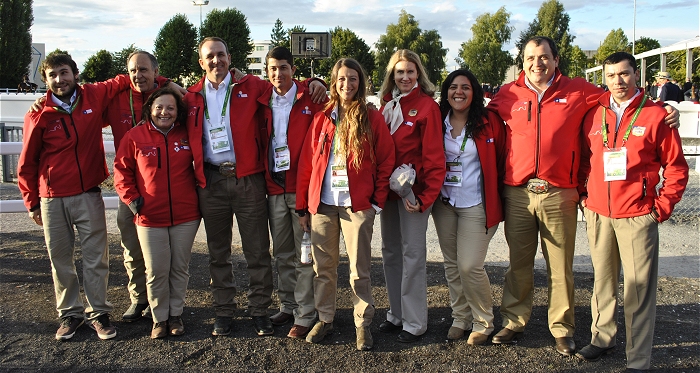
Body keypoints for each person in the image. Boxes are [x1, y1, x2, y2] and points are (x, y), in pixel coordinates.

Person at [487, 36, 679, 356]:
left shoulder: (579, 91)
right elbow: (477, 119)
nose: (538, 63)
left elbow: (623, 98)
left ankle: (562, 328)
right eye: (531, 57)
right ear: (522, 62)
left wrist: (664, 106)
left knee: (560, 266)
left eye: (544, 56)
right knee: (517, 263)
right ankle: (514, 320)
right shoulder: (507, 94)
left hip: (559, 192)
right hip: (519, 193)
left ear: (556, 59)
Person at [184, 37, 325, 337]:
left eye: (221, 55)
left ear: (229, 57)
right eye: (210, 56)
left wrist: (316, 80)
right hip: (211, 182)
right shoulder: (191, 97)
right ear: (201, 62)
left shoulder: (252, 87)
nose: (216, 61)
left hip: (248, 180)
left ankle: (259, 309)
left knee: (258, 251)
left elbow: (287, 83)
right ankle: (224, 311)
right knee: (217, 252)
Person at [576, 52, 688, 371]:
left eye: (624, 74)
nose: (618, 81)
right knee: (603, 282)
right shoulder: (594, 113)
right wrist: (586, 195)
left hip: (638, 215)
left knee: (638, 290)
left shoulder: (656, 116)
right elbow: (586, 159)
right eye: (611, 75)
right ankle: (602, 337)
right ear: (605, 78)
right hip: (599, 213)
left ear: (636, 74)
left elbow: (677, 168)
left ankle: (638, 358)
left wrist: (660, 208)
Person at [17, 52, 131, 341]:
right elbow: (27, 162)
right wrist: (31, 201)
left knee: (96, 257)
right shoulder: (37, 113)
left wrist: (168, 81)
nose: (60, 79)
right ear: (46, 80)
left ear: (75, 74)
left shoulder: (93, 94)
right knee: (60, 259)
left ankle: (98, 314)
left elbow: (128, 78)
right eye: (53, 75)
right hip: (52, 197)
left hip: (88, 193)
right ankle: (69, 314)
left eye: (64, 72)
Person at [296, 57, 395, 350]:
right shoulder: (322, 118)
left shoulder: (370, 117)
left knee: (358, 269)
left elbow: (387, 160)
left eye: (352, 79)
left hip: (357, 206)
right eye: (341, 79)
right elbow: (306, 165)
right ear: (333, 82)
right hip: (324, 205)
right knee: (322, 268)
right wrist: (304, 205)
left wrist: (376, 202)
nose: (346, 84)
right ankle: (325, 318)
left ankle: (362, 323)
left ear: (360, 83)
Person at [114, 87, 202, 339]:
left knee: (179, 268)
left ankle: (175, 314)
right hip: (150, 217)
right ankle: (159, 318)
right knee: (156, 270)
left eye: (171, 108)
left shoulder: (188, 134)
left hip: (186, 215)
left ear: (178, 112)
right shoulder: (134, 136)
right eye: (159, 107)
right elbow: (121, 172)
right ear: (150, 109)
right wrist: (133, 200)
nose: (165, 112)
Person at [255, 46, 327, 339]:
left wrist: (318, 80)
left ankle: (305, 313)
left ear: (293, 70)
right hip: (274, 187)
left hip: (302, 189)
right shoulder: (261, 99)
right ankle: (288, 305)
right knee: (282, 253)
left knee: (304, 255)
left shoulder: (310, 96)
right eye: (272, 68)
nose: (277, 74)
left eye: (283, 68)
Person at [431, 69, 505, 345]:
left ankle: (483, 320)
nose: (458, 92)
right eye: (453, 87)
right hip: (445, 203)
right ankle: (460, 317)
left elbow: (500, 161)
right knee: (452, 264)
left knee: (470, 265)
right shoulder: (438, 120)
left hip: (477, 203)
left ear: (474, 92)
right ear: (446, 91)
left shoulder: (489, 122)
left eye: (465, 87)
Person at [378, 49, 445, 343]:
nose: (405, 77)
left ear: (419, 74)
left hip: (413, 196)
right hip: (389, 195)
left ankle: (415, 321)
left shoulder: (427, 107)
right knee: (390, 253)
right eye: (399, 72)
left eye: (410, 71)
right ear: (392, 75)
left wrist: (423, 196)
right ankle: (396, 313)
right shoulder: (385, 106)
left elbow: (434, 158)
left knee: (413, 256)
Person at [105, 51, 173, 322]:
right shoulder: (116, 99)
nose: (138, 75)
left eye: (144, 69)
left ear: (156, 71)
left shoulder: (170, 97)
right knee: (132, 248)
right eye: (133, 70)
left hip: (162, 188)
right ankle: (138, 298)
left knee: (165, 250)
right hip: (128, 188)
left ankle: (166, 301)